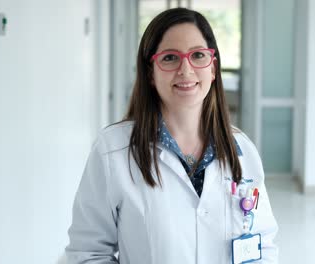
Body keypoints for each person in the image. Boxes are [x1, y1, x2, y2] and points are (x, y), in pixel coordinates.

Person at [65, 7, 278, 264]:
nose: (185, 70)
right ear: (150, 73)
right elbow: (88, 253)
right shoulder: (113, 151)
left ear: (212, 68)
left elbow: (262, 244)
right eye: (169, 58)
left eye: (198, 55)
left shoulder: (242, 150)